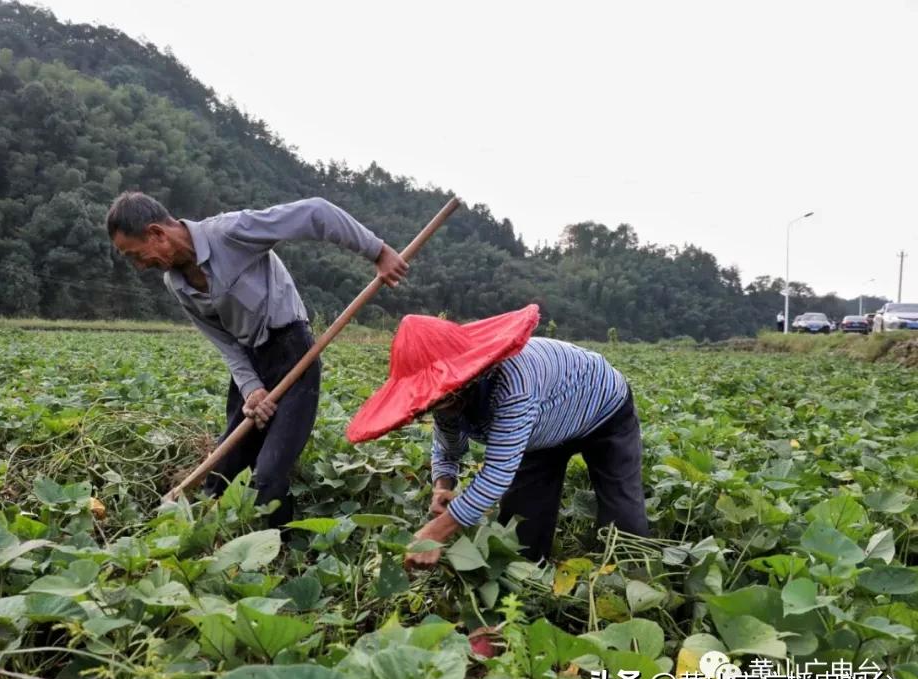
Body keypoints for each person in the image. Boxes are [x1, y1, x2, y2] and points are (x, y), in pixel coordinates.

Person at [107, 193, 408, 526]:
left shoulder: (230, 232)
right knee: (221, 474)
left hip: (293, 355)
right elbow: (223, 341)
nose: (140, 265)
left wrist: (377, 251)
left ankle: (280, 555)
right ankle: (211, 540)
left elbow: (316, 212)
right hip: (251, 366)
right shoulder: (175, 283)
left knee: (268, 476)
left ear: (157, 233)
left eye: (137, 254)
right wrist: (251, 389)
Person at [346, 305, 649, 568]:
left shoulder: (512, 384)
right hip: (542, 430)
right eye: (429, 404)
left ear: (465, 381)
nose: (434, 409)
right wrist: (443, 486)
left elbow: (496, 475)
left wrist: (436, 531)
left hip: (601, 407)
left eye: (441, 399)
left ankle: (633, 580)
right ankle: (530, 592)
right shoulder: (443, 402)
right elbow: (448, 450)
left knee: (622, 517)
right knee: (521, 533)